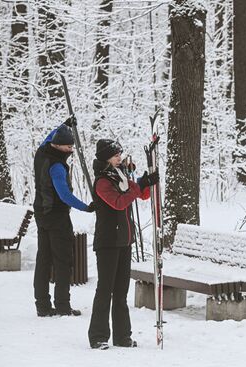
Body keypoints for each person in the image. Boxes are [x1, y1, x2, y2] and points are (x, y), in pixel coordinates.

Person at [88, 139, 158, 350]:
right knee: (105, 290)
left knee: (121, 291)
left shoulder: (122, 175)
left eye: (119, 153)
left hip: (125, 240)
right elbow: (119, 202)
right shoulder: (102, 181)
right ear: (105, 158)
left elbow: (140, 196)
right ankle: (98, 336)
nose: (119, 157)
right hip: (108, 242)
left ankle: (122, 336)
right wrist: (138, 187)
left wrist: (146, 183)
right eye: (115, 154)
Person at [33, 118, 95, 317]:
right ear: (59, 146)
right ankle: (62, 305)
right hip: (57, 217)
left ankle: (42, 306)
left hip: (41, 213)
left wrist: (64, 125)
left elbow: (49, 138)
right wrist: (86, 207)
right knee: (62, 260)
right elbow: (64, 195)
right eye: (69, 146)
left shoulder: (42, 152)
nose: (71, 150)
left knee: (43, 258)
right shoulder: (57, 167)